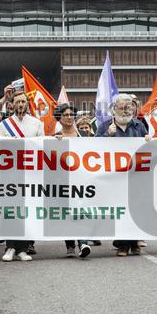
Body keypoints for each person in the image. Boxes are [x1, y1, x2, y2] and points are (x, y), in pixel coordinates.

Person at [0, 90, 44, 261]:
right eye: (17, 102)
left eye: (23, 102)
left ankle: (22, 249)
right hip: (10, 173)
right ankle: (10, 247)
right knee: (10, 210)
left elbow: (42, 145)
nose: (20, 105)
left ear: (27, 104)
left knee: (26, 210)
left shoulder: (37, 123)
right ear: (12, 104)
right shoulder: (5, 124)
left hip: (30, 173)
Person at [97, 93, 149, 257]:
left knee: (135, 209)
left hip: (134, 176)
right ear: (114, 109)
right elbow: (92, 148)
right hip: (115, 177)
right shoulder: (105, 126)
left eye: (129, 107)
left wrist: (148, 140)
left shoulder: (139, 126)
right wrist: (107, 136)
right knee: (119, 210)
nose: (127, 110)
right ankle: (122, 245)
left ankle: (134, 243)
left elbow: (146, 150)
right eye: (123, 107)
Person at [53, 103, 92, 258]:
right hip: (63, 180)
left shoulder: (84, 134)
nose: (69, 118)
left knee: (81, 210)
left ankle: (83, 242)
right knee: (66, 212)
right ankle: (70, 245)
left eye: (71, 115)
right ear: (60, 118)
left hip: (81, 179)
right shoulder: (55, 137)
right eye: (65, 115)